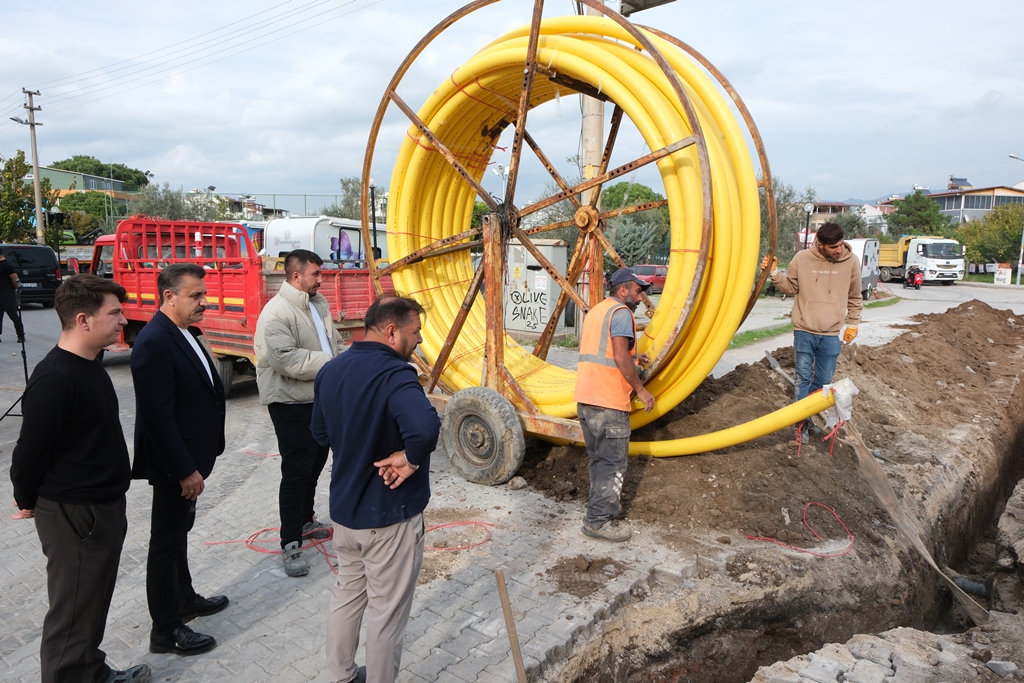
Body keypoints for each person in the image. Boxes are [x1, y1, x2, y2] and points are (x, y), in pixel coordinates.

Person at [10, 275, 151, 683]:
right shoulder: (56, 378)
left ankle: (91, 671)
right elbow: (28, 453)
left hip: (101, 506)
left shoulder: (89, 363)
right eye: (115, 313)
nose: (124, 320)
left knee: (90, 604)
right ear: (84, 320)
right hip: (76, 513)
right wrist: (27, 499)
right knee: (71, 613)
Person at [312, 296, 440, 683]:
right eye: (415, 332)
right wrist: (410, 459)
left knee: (347, 597)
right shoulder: (396, 375)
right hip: (389, 518)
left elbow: (320, 433)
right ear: (391, 331)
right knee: (386, 613)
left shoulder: (331, 370)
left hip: (347, 515)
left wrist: (356, 438)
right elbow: (425, 428)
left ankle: (342, 675)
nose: (419, 340)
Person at [131, 263, 228, 656]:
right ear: (169, 297)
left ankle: (184, 598)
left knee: (178, 536)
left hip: (191, 459)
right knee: (166, 543)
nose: (204, 301)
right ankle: (165, 630)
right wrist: (185, 470)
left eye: (204, 294)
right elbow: (157, 416)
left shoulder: (183, 332)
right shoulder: (154, 340)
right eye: (196, 296)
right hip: (175, 465)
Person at [254, 249, 343, 577]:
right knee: (296, 471)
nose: (321, 280)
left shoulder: (317, 304)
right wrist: (334, 364)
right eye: (316, 274)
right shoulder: (276, 313)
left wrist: (349, 360)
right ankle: (290, 542)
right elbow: (286, 360)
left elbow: (332, 344)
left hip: (318, 399)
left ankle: (305, 521)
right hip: (291, 403)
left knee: (316, 461)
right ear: (296, 276)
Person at [574, 267, 656, 543]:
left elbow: (609, 352)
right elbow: (619, 356)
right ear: (623, 290)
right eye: (637, 290)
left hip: (587, 399)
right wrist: (641, 390)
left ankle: (596, 514)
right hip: (609, 403)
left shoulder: (599, 310)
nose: (640, 295)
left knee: (600, 461)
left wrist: (635, 358)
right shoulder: (622, 314)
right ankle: (598, 522)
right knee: (613, 464)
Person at [763, 222, 862, 443]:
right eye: (833, 247)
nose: (839, 250)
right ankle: (802, 426)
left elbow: (855, 295)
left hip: (831, 333)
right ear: (820, 244)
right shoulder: (802, 259)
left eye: (840, 245)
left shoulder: (851, 262)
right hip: (804, 330)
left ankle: (807, 418)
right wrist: (773, 273)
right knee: (802, 378)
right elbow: (790, 288)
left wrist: (853, 323)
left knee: (824, 381)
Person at [0, 246, 26, 342]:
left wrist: (16, 287)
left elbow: (15, 278)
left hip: (7, 293)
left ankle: (20, 335)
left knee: (13, 315)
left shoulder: (7, 265)